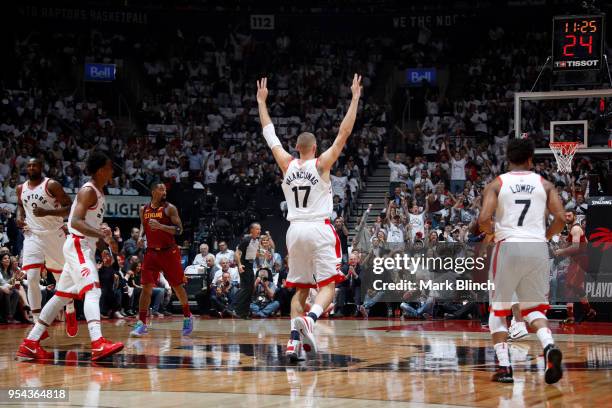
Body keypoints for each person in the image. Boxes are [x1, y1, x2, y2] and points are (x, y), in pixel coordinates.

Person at [257, 74, 361, 361]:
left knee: (300, 290)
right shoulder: (321, 164)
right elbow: (344, 133)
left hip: (294, 230)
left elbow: (270, 134)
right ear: (314, 148)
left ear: (297, 148)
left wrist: (261, 102)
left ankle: (293, 342)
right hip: (318, 227)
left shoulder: (286, 163)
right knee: (327, 286)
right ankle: (312, 319)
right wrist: (354, 98)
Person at [17, 151, 124, 361]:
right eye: (110, 166)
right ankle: (98, 343)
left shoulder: (99, 192)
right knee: (92, 291)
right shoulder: (88, 191)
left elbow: (90, 225)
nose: (113, 170)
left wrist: (102, 245)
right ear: (102, 170)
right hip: (77, 244)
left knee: (61, 296)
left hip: (84, 246)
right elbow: (74, 222)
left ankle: (30, 343)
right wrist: (100, 235)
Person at [478, 138, 565, 384]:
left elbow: (484, 218)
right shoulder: (545, 184)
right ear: (530, 159)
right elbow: (560, 218)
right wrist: (545, 236)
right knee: (534, 308)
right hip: (537, 248)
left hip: (509, 246)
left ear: (508, 159)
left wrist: (493, 231)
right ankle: (548, 345)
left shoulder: (498, 183)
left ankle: (505, 367)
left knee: (498, 310)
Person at [16, 158, 77, 337]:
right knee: (32, 277)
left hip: (54, 234)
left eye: (35, 165)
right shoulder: (21, 188)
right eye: (29, 165)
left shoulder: (52, 185)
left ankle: (70, 308)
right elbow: (21, 205)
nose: (31, 167)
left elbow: (69, 207)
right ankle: (37, 323)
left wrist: (47, 212)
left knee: (61, 278)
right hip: (32, 235)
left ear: (41, 167)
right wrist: (19, 217)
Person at [130, 183, 193, 337]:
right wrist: (140, 236)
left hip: (169, 252)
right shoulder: (143, 209)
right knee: (146, 287)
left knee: (177, 286)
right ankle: (142, 323)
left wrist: (161, 226)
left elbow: (179, 230)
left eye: (165, 189)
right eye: (161, 189)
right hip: (151, 252)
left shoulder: (169, 208)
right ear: (153, 192)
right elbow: (144, 225)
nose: (164, 191)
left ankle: (187, 316)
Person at [555, 211, 595, 323]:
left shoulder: (575, 229)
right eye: (565, 216)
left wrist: (562, 251)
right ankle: (588, 311)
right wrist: (563, 241)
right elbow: (584, 242)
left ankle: (572, 316)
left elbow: (576, 247)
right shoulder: (572, 229)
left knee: (570, 285)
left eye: (569, 216)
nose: (567, 217)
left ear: (575, 217)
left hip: (580, 260)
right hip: (578, 259)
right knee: (575, 286)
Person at [234, 223, 262, 319]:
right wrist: (239, 265)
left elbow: (254, 253)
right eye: (257, 229)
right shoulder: (246, 239)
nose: (259, 231)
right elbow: (237, 253)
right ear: (251, 230)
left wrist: (263, 256)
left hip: (250, 266)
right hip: (244, 266)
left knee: (250, 290)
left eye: (260, 229)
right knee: (246, 289)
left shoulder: (256, 240)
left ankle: (244, 313)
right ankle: (236, 309)